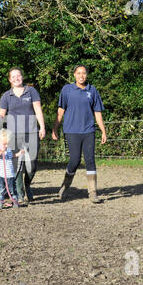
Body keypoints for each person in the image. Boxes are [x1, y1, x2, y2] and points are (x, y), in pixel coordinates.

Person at [52, 65, 107, 203]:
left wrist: (103, 131)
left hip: (89, 130)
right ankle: (65, 186)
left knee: (90, 160)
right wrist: (55, 129)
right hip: (71, 131)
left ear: (87, 75)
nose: (81, 76)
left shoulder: (92, 90)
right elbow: (60, 111)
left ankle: (93, 192)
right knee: (74, 160)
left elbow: (97, 112)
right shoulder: (67, 90)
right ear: (74, 75)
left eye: (84, 73)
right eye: (78, 73)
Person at [0, 67, 46, 206]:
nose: (16, 78)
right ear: (9, 80)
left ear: (22, 77)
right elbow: (2, 113)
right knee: (18, 164)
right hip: (13, 134)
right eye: (13, 76)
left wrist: (42, 127)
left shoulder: (31, 91)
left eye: (18, 75)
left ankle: (28, 185)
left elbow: (37, 109)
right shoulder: (6, 96)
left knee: (32, 164)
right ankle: (20, 193)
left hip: (31, 132)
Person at [0, 129, 25, 209]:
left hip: (9, 174)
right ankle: (0, 202)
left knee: (12, 189)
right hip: (0, 175)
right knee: (0, 189)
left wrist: (18, 154)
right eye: (4, 144)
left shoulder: (8, 150)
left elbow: (12, 156)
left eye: (7, 144)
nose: (6, 146)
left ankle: (15, 201)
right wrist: (1, 151)